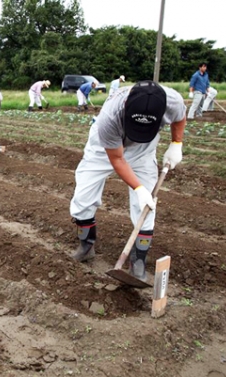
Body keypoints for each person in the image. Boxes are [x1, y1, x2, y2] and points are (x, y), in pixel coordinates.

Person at [69, 81, 187, 281]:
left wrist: (176, 144)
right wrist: (139, 188)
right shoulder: (110, 115)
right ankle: (86, 245)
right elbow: (117, 159)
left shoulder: (172, 101)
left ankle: (138, 260)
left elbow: (180, 117)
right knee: (83, 198)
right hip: (104, 148)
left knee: (146, 206)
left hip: (143, 150)